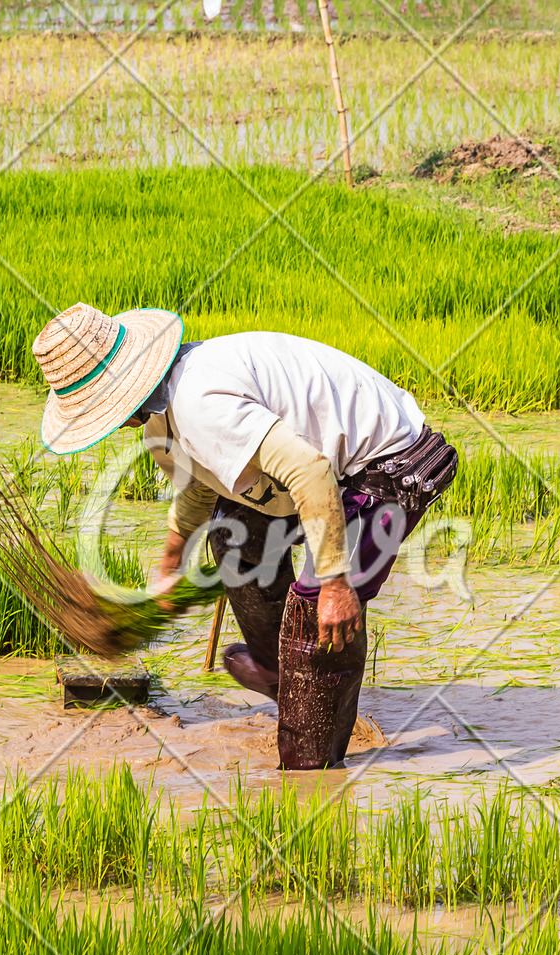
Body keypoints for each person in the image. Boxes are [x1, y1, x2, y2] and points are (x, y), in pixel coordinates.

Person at [31, 303, 458, 770]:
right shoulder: (165, 410)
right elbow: (202, 480)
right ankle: (281, 674)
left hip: (389, 465)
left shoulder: (200, 401)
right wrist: (171, 566)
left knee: (316, 615)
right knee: (235, 531)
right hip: (328, 470)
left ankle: (309, 770)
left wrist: (336, 583)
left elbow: (310, 473)